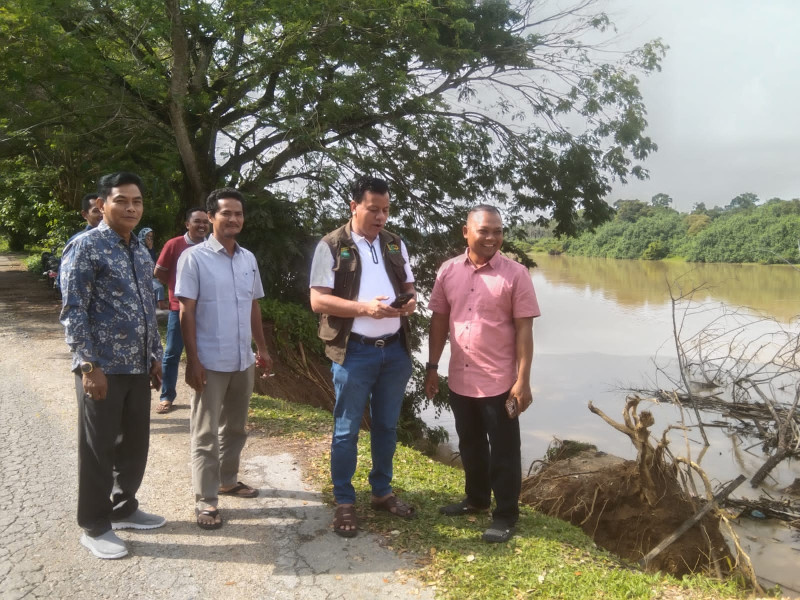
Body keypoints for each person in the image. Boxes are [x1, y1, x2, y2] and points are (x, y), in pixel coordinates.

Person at [59, 172, 166, 560]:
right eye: (122, 200)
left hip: (137, 366)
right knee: (98, 448)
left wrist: (154, 356)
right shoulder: (85, 247)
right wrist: (88, 366)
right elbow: (73, 310)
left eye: (136, 201)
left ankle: (125, 508)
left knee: (135, 443)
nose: (131, 208)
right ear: (102, 205)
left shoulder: (139, 248)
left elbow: (146, 308)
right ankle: (94, 524)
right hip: (102, 368)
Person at [424, 205, 540, 543]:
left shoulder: (516, 274)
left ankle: (505, 514)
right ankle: (475, 499)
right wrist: (432, 367)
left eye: (498, 231)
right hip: (460, 377)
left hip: (499, 381)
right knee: (470, 443)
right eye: (484, 230)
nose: (492, 237)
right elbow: (439, 322)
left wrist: (523, 380)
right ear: (466, 232)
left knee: (504, 450)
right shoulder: (448, 271)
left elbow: (524, 331)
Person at [309, 175, 417, 538]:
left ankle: (382, 492)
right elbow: (318, 300)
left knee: (387, 427)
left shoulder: (394, 243)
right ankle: (344, 501)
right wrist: (363, 309)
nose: (381, 217)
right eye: (374, 209)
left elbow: (409, 287)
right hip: (353, 351)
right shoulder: (331, 245)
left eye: (386, 210)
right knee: (346, 429)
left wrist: (410, 302)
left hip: (395, 352)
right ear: (354, 206)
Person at [175, 188, 272, 530]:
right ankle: (205, 500)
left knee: (234, 428)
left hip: (242, 359)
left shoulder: (248, 259)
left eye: (238, 214)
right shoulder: (194, 258)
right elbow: (187, 311)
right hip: (210, 362)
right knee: (204, 432)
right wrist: (193, 360)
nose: (233, 219)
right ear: (211, 217)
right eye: (226, 213)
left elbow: (253, 306)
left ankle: (227, 480)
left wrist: (261, 348)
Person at [153, 207, 210, 414]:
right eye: (197, 221)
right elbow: (158, 271)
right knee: (172, 353)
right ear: (187, 224)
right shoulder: (174, 244)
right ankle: (167, 396)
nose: (202, 225)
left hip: (205, 310)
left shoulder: (212, 246)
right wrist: (175, 287)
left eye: (205, 221)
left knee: (205, 352)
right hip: (179, 308)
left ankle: (208, 393)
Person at [138, 227, 168, 310]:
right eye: (148, 236)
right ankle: (161, 304)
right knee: (159, 287)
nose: (150, 239)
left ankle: (157, 302)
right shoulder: (137, 247)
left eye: (151, 237)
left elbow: (153, 263)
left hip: (151, 275)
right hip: (141, 276)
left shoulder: (150, 248)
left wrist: (151, 249)